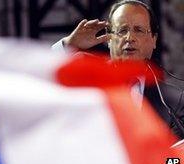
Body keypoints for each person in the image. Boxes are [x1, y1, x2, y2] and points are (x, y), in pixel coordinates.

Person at [53, 0, 184, 139]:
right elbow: (42, 82)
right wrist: (68, 44)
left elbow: (174, 159)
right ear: (109, 39)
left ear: (154, 40)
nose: (130, 38)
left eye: (139, 30)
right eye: (122, 30)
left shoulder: (174, 101)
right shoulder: (86, 79)